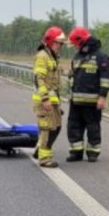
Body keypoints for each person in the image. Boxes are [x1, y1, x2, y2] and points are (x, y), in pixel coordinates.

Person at [66, 26, 109, 162]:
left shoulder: (101, 56)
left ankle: (93, 152)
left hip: (92, 102)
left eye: (75, 44)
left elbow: (105, 78)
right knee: (73, 126)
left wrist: (102, 97)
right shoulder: (78, 56)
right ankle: (76, 152)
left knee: (93, 127)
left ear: (82, 41)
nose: (74, 47)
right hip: (76, 101)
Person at [32, 26, 67, 168]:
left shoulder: (53, 56)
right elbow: (38, 79)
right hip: (44, 101)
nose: (61, 46)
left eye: (62, 43)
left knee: (56, 127)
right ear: (51, 41)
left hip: (53, 101)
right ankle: (44, 159)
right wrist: (45, 99)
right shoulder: (42, 56)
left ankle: (39, 149)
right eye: (59, 43)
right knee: (47, 129)